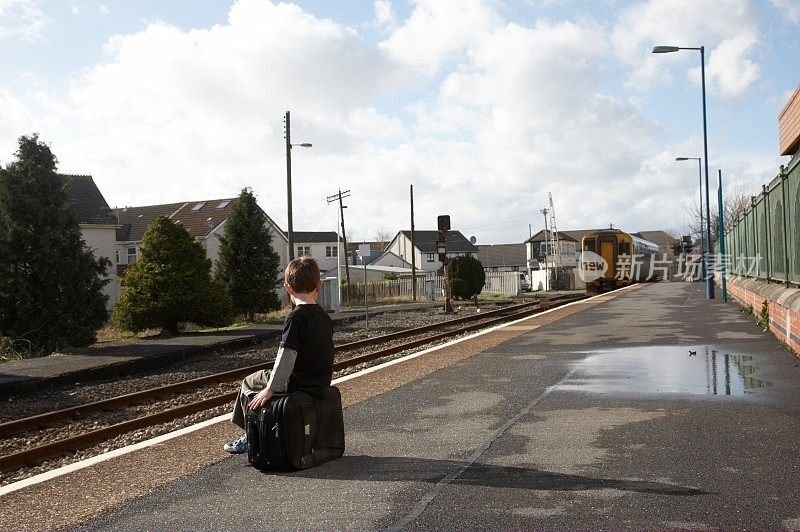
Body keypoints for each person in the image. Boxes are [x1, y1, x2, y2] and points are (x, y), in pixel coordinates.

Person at [223, 256, 334, 453]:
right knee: (263, 380)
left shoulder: (295, 318)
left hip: (295, 385)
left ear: (288, 288)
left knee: (250, 381)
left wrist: (271, 389)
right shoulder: (325, 318)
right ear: (320, 285)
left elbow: (286, 356)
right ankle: (255, 431)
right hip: (319, 384)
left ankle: (251, 434)